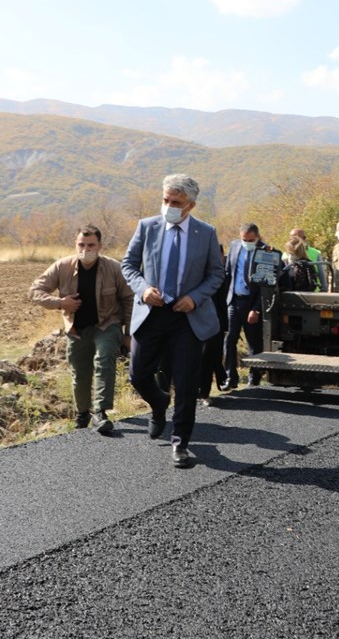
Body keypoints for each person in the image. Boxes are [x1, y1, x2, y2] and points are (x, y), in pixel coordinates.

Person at [122, 174, 225, 469]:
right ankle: (158, 403)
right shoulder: (147, 227)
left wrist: (195, 297)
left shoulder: (205, 233)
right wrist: (143, 290)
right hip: (151, 313)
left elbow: (216, 274)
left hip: (186, 318)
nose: (169, 206)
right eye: (166, 200)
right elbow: (128, 265)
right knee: (138, 374)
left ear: (190, 205)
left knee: (186, 382)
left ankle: (181, 443)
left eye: (176, 202)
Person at [29, 225, 133, 436]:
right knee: (80, 372)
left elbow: (129, 299)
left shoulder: (113, 268)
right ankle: (82, 413)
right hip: (77, 329)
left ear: (100, 246)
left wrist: (129, 334)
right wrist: (60, 302)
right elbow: (35, 291)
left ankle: (101, 412)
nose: (86, 249)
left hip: (107, 323)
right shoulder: (62, 267)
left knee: (104, 361)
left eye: (91, 245)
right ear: (75, 245)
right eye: (81, 245)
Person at [224, 222, 271, 389]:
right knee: (230, 339)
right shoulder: (235, 246)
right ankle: (231, 377)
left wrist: (256, 308)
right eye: (244, 239)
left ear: (257, 237)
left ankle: (254, 377)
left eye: (250, 240)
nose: (246, 242)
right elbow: (229, 273)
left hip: (252, 303)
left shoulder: (266, 251)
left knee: (253, 342)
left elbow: (266, 284)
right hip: (234, 301)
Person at [197, 243, 230, 407]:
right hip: (195, 319)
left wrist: (224, 326)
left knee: (209, 358)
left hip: (214, 322)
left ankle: (204, 392)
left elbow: (223, 302)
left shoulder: (220, 275)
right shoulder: (196, 272)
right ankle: (194, 391)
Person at [289, 227, 327, 291]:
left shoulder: (315, 253)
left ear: (304, 239)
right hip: (294, 292)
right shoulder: (286, 254)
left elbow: (321, 275)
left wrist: (324, 290)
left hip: (314, 292)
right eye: (292, 238)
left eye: (297, 238)